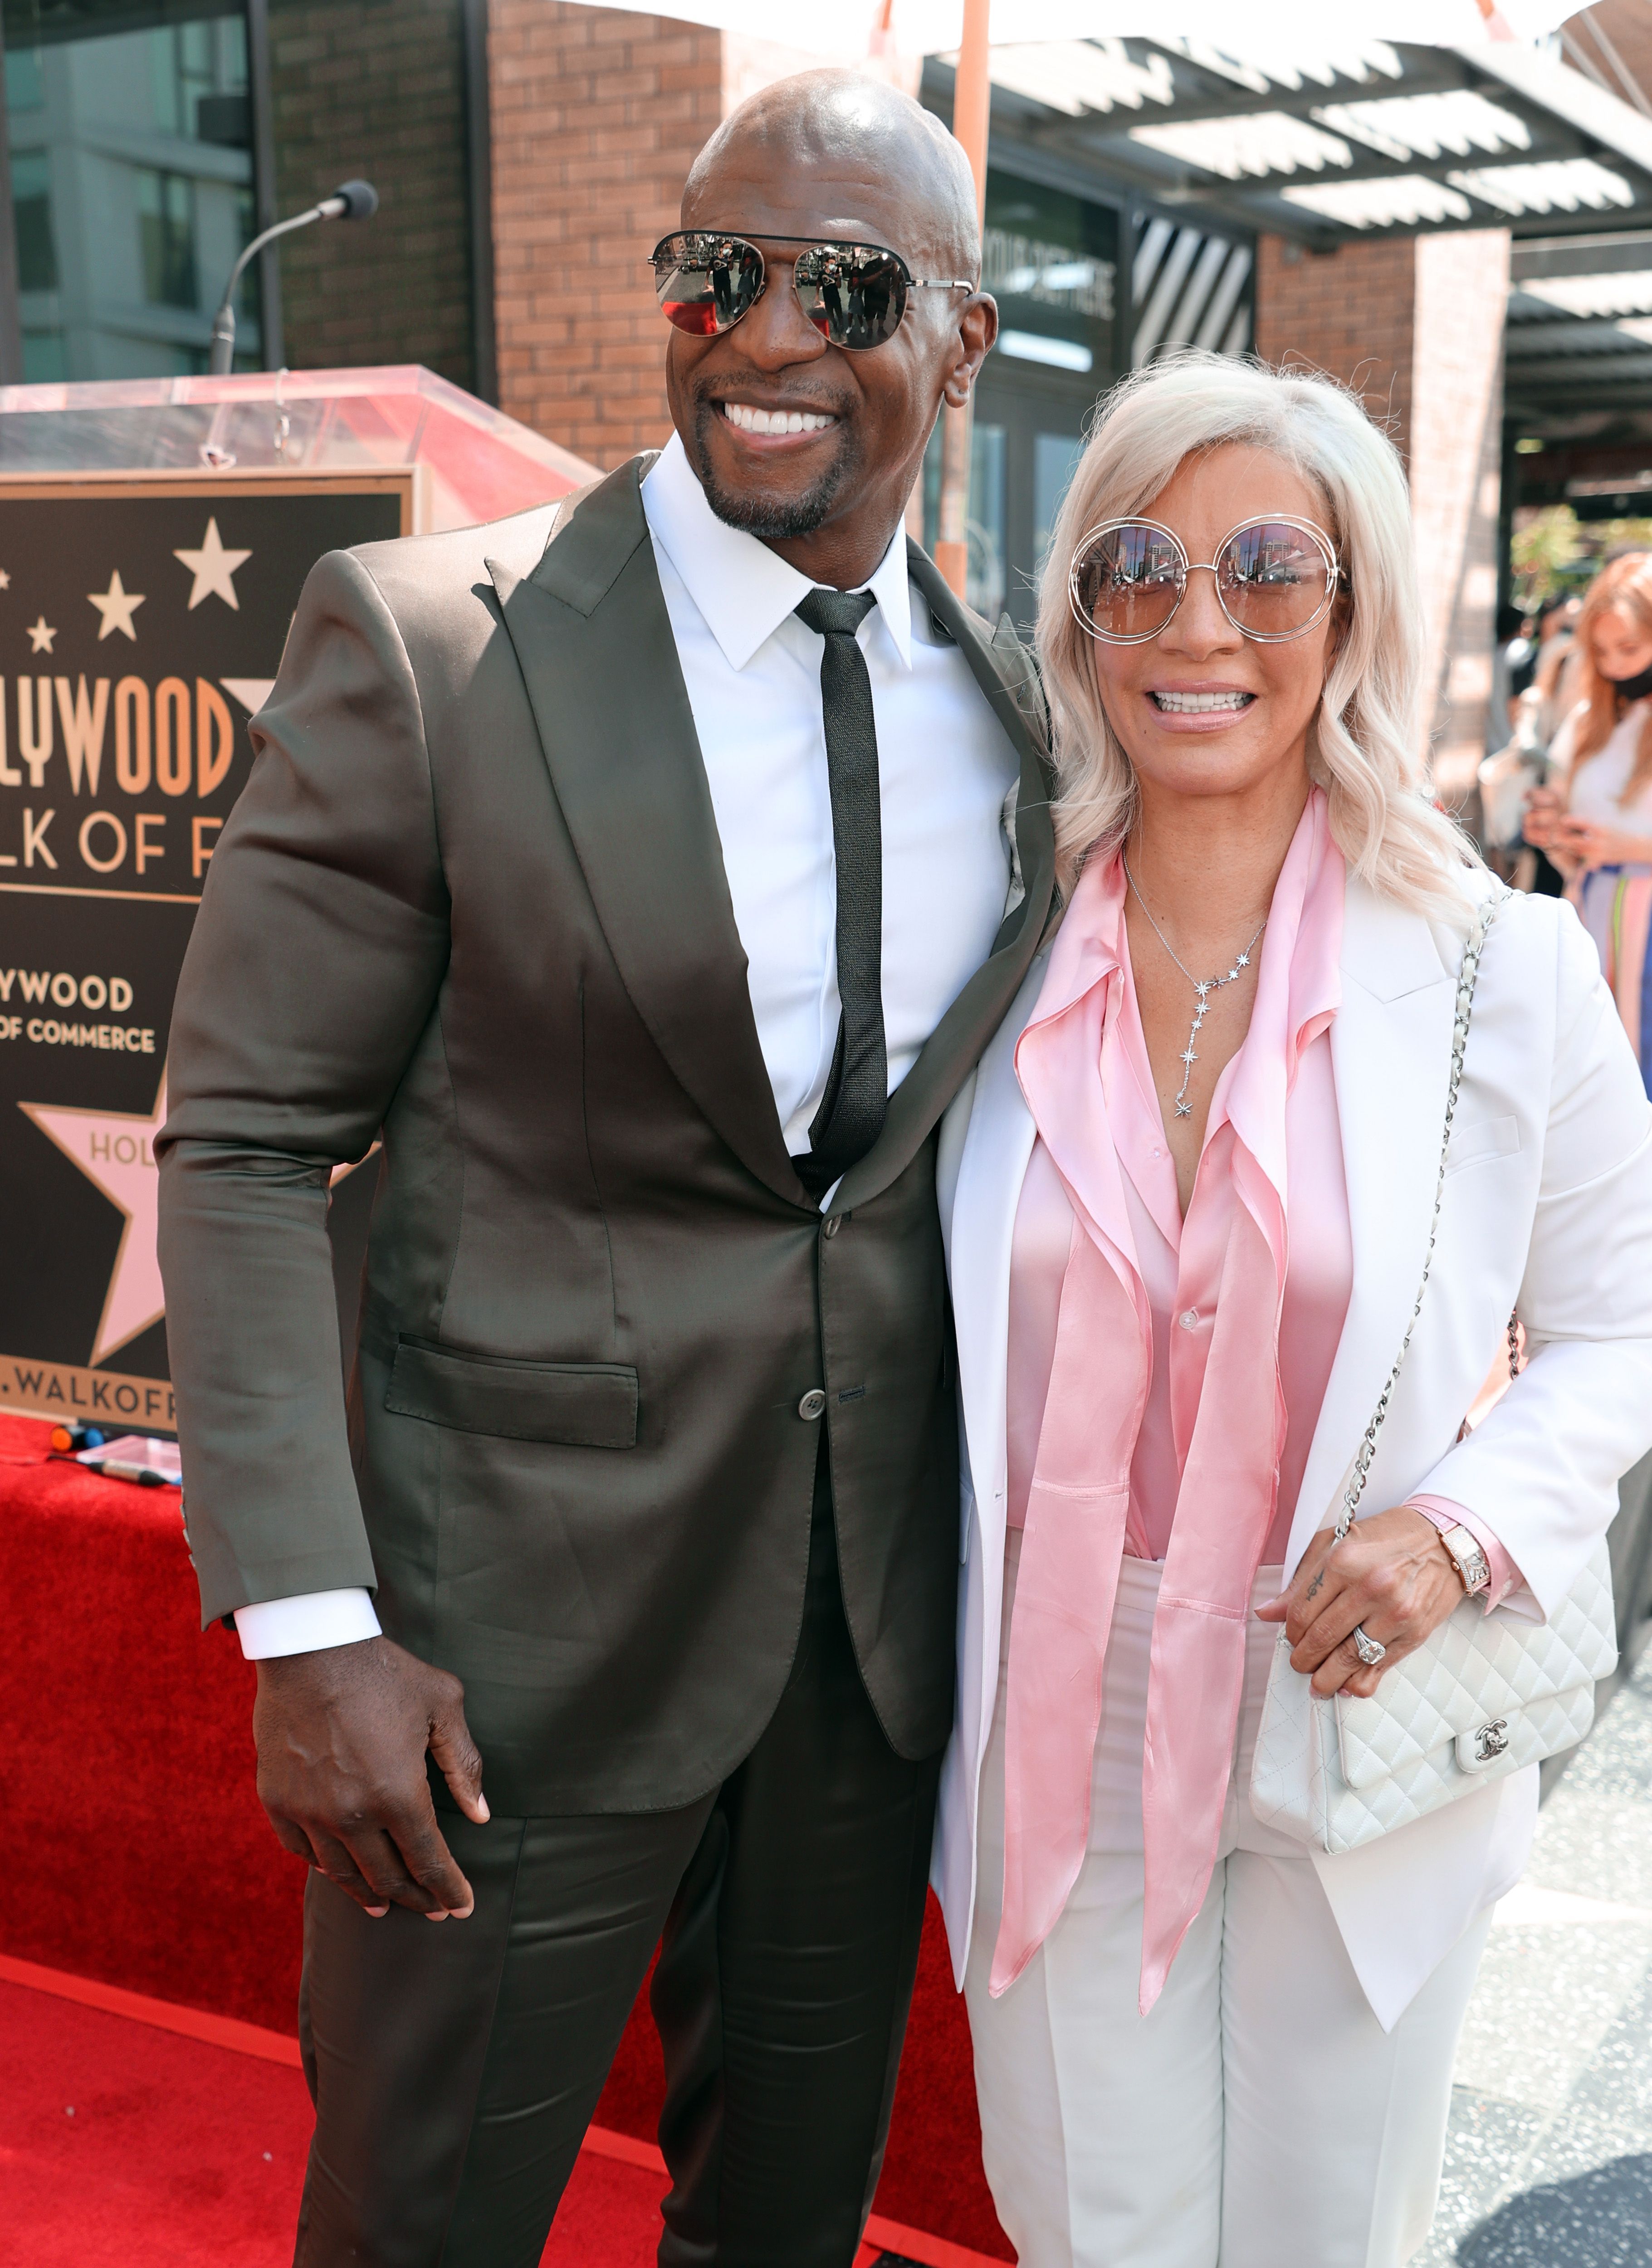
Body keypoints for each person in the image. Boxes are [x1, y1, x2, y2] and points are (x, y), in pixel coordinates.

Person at [156, 69, 1055, 2268]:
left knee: (786, 2231)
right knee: (419, 2235)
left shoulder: (1018, 711)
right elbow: (252, 1136)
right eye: (709, 271)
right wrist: (310, 1623)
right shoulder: (431, 644)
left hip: (859, 1663)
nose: (759, 336)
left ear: (964, 338)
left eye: (840, 285)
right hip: (492, 1674)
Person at [934, 352, 1652, 2267]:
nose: (1200, 620)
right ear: (1082, 617)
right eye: (1137, 565)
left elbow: (1622, 1325)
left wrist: (1458, 1524)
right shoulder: (981, 963)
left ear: (1350, 611)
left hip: (1359, 1695)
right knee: (1095, 2228)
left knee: (1328, 2237)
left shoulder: (1504, 971)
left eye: (1268, 563)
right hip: (1049, 1703)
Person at [1524, 551, 1652, 1091]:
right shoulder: (1587, 720)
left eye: (1630, 647)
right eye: (1601, 651)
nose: (1616, 665)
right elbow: (1573, 848)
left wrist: (1632, 847)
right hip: (1590, 916)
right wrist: (1553, 834)